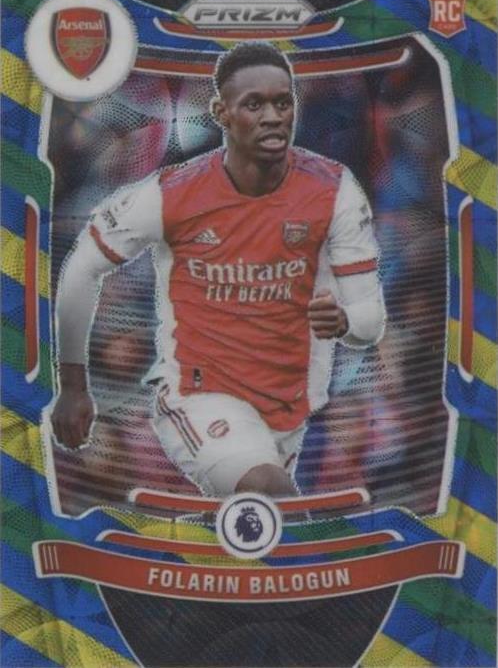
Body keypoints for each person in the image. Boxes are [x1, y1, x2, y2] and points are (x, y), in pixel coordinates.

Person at [51, 42, 385, 498]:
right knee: (270, 492)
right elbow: (81, 269)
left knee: (264, 523)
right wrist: (73, 386)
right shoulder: (174, 192)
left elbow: (370, 322)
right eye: (254, 104)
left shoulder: (336, 188)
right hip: (199, 396)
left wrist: (345, 321)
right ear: (221, 113)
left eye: (282, 103)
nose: (272, 117)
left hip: (290, 406)